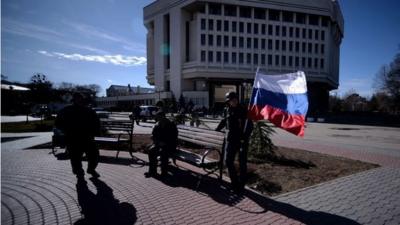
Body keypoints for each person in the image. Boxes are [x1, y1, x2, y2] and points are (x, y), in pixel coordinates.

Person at [55, 92, 101, 181]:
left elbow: (96, 123)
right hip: (73, 138)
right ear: (74, 100)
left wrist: (95, 132)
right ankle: (79, 173)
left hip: (87, 137)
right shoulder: (66, 110)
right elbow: (58, 123)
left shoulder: (89, 110)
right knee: (75, 158)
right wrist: (66, 130)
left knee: (94, 155)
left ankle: (91, 169)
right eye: (77, 99)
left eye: (81, 99)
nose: (79, 101)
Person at [216, 92, 252, 193]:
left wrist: (244, 138)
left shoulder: (244, 110)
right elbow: (224, 121)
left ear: (237, 99)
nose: (232, 102)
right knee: (228, 161)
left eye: (234, 100)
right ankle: (235, 183)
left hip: (241, 141)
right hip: (231, 140)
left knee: (242, 163)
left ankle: (241, 184)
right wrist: (217, 130)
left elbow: (249, 126)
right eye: (230, 100)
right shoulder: (227, 109)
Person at [145, 110, 178, 178]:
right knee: (151, 151)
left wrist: (165, 143)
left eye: (159, 117)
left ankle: (164, 172)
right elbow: (154, 135)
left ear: (163, 117)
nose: (157, 119)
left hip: (169, 145)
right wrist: (155, 139)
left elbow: (174, 137)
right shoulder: (157, 124)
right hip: (159, 144)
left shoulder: (171, 124)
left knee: (163, 152)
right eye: (157, 118)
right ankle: (152, 171)